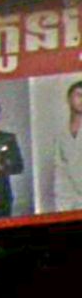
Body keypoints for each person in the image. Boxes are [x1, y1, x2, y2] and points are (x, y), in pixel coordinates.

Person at [54, 80, 82, 211]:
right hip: (67, 199)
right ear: (69, 99)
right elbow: (60, 168)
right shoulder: (61, 133)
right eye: (79, 95)